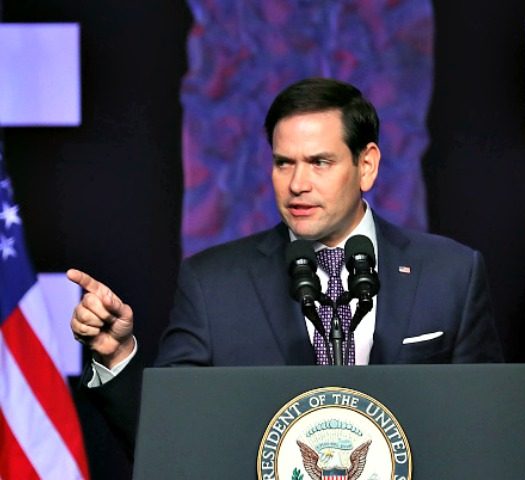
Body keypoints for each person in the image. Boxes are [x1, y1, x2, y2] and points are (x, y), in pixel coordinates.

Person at [68, 77, 503, 455]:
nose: (297, 184)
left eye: (319, 162)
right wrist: (117, 354)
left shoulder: (451, 273)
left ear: (366, 165)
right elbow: (169, 443)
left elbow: (486, 431)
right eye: (283, 163)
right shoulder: (213, 284)